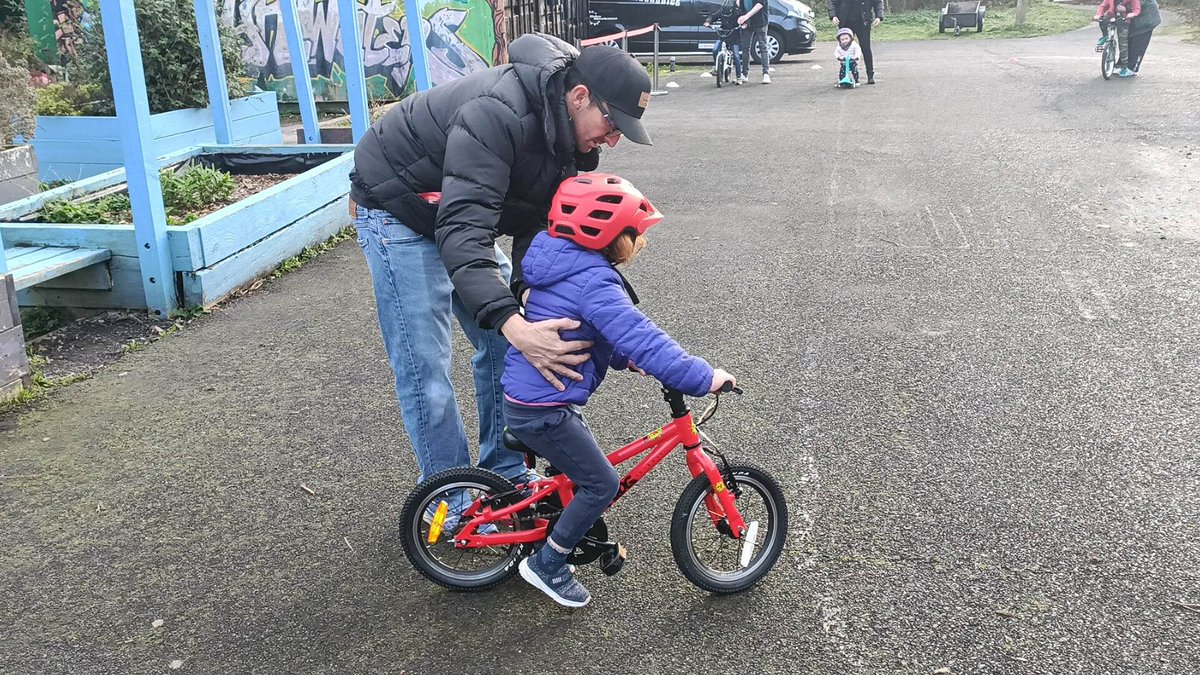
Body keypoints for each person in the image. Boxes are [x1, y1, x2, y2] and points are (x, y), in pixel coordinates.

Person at [348, 35, 655, 490]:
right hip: (399, 204)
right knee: (425, 367)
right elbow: (463, 230)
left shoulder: (569, 137)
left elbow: (539, 222)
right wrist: (515, 322)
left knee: (502, 345)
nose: (612, 140)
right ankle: (449, 496)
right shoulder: (497, 112)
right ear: (579, 96)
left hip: (453, 211)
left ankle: (503, 471)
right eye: (612, 124)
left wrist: (528, 292)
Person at [504, 174, 738, 607]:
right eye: (634, 234)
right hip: (543, 408)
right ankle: (547, 565)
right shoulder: (595, 281)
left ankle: (557, 530)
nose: (640, 244)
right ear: (608, 235)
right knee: (601, 483)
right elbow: (643, 337)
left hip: (538, 398)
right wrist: (704, 377)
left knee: (582, 466)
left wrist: (623, 358)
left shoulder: (562, 262)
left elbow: (594, 328)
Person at [829, 0, 883, 84]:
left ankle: (870, 75)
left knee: (865, 48)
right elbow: (832, 1)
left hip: (863, 21)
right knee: (844, 49)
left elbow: (878, 2)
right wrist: (833, 15)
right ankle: (844, 76)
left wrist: (879, 16)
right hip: (845, 21)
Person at [1094, 0, 1141, 77]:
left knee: (1123, 44)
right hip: (1112, 15)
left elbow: (1136, 8)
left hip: (1124, 18)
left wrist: (1132, 14)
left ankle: (1124, 66)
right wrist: (1099, 14)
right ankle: (1105, 36)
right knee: (1102, 21)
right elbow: (1103, 6)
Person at [706, 1, 746, 84]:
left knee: (736, 55)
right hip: (723, 35)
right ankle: (716, 67)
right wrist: (708, 21)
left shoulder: (738, 12)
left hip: (734, 37)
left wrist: (743, 24)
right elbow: (713, 16)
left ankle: (739, 77)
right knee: (715, 49)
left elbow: (744, 19)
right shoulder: (722, 11)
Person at [738, 0, 772, 84]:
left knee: (763, 46)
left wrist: (746, 16)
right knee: (745, 47)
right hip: (748, 21)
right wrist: (743, 18)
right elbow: (739, 5)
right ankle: (744, 74)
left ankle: (766, 74)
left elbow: (760, 4)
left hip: (760, 20)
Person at [1126, 0, 1162, 75]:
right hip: (1137, 18)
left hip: (1147, 19)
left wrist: (1124, 8)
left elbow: (1139, 3)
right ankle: (1123, 65)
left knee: (1138, 44)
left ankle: (1132, 68)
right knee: (1129, 41)